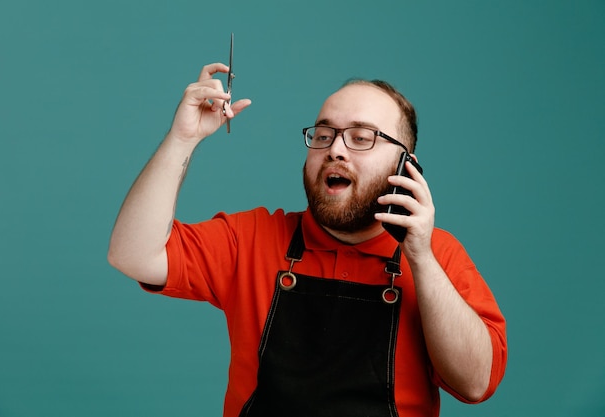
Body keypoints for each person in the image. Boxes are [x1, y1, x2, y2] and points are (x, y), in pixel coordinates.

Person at [108, 62, 507, 417]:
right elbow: (133, 254)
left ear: (406, 166)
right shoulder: (252, 239)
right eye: (323, 134)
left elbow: (476, 384)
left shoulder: (439, 256)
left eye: (361, 137)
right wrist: (182, 138)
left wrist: (420, 258)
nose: (334, 149)